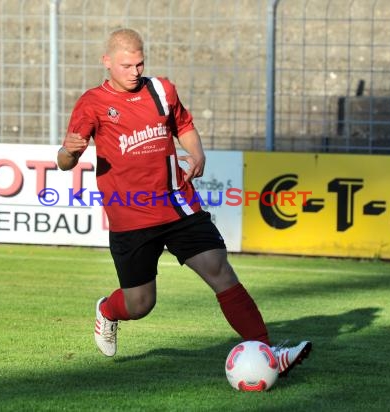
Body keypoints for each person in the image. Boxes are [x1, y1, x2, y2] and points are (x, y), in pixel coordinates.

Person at [57, 28, 311, 377]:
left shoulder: (161, 89)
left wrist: (197, 152)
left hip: (178, 204)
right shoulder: (92, 103)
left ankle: (268, 351)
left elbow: (184, 125)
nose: (135, 71)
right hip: (130, 215)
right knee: (141, 303)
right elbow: (65, 159)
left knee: (219, 269)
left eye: (140, 63)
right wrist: (67, 153)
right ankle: (109, 311)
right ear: (107, 62)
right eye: (126, 65)